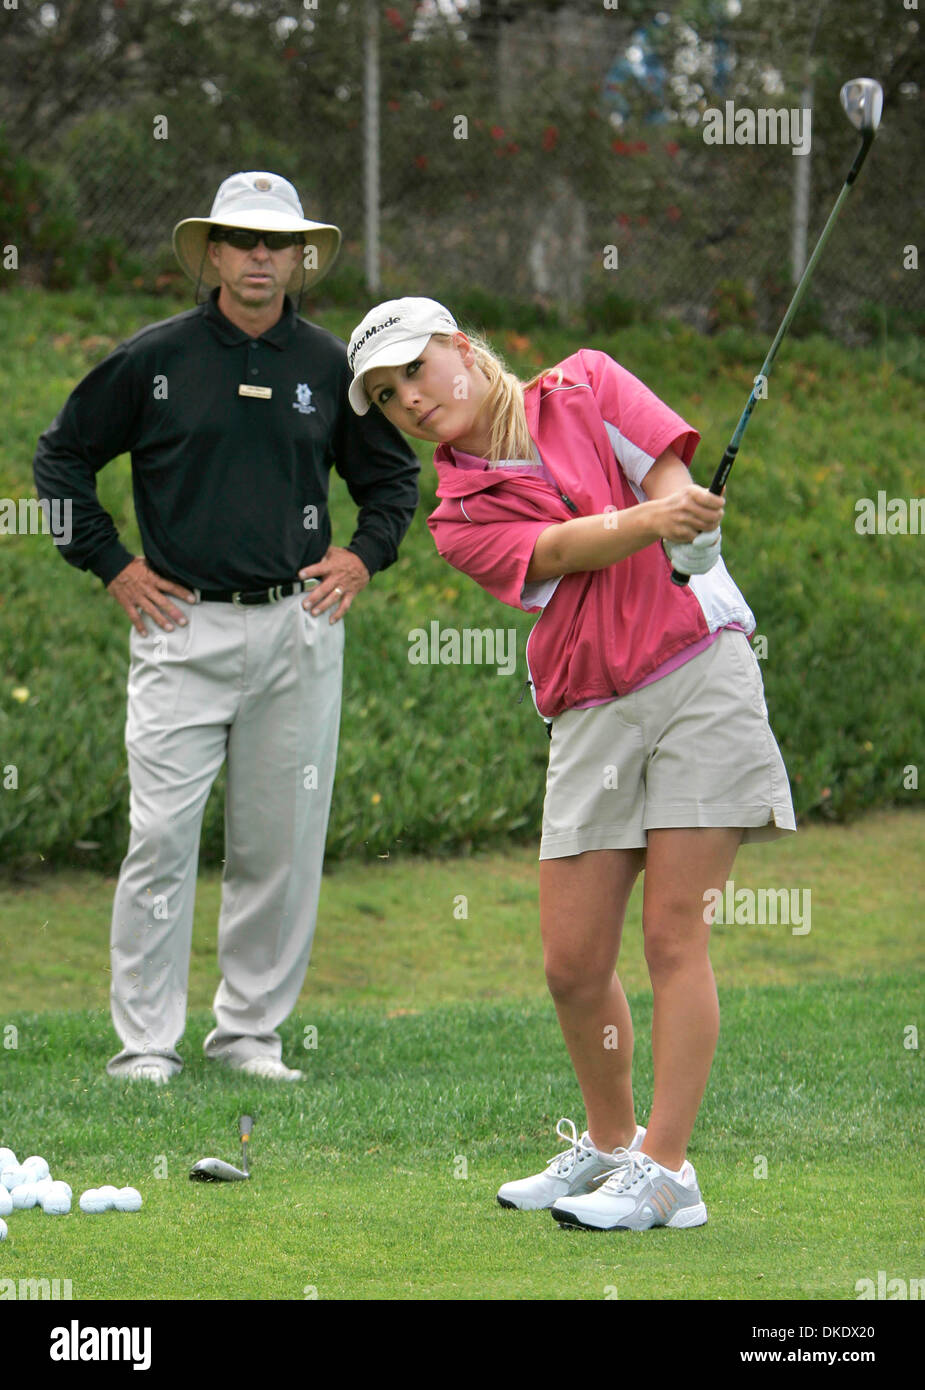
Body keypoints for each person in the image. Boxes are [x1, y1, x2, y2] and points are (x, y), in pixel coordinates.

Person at [345, 297, 795, 1230]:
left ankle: (668, 1171)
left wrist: (692, 530)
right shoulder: (456, 514)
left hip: (696, 673)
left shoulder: (588, 383)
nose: (411, 402)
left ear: (463, 348)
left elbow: (666, 476)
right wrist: (659, 522)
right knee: (571, 962)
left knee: (674, 937)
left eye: (416, 372)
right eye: (388, 396)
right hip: (587, 707)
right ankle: (610, 1141)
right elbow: (557, 550)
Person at [32, 173, 419, 1085]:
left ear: (298, 259)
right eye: (240, 240)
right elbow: (62, 457)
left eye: (275, 243)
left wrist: (363, 557)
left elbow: (393, 483)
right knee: (161, 837)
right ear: (210, 253)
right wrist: (110, 564)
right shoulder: (154, 357)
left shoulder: (329, 368)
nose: (257, 256)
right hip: (179, 629)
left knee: (277, 845)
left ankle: (249, 1035)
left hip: (298, 624)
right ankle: (145, 1044)